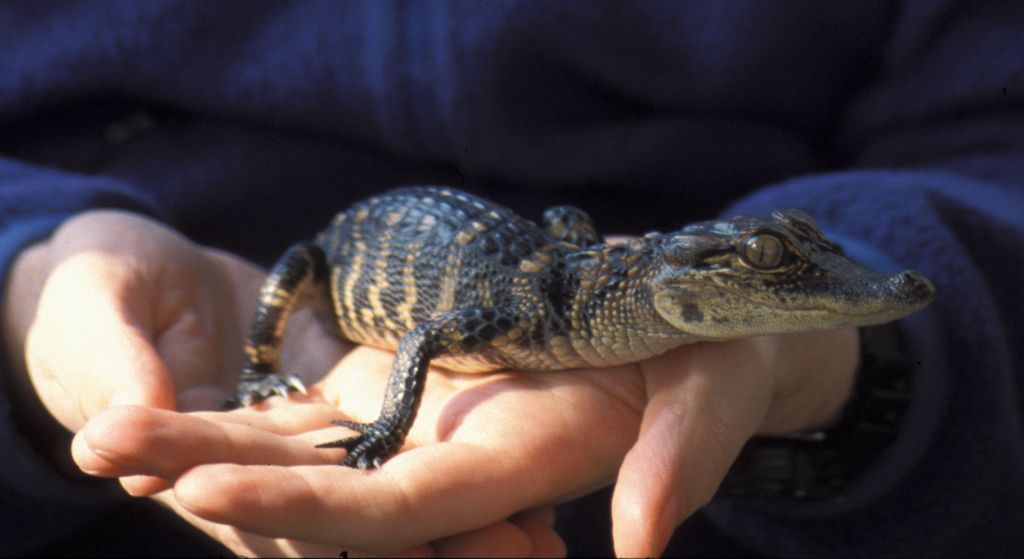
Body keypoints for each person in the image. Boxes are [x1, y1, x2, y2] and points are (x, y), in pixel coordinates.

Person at [1, 1, 1021, 556]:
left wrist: (873, 375)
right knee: (293, 276)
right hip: (111, 506)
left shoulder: (593, 297)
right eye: (764, 262)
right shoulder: (529, 312)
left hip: (784, 520)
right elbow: (422, 338)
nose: (796, 277)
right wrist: (27, 266)